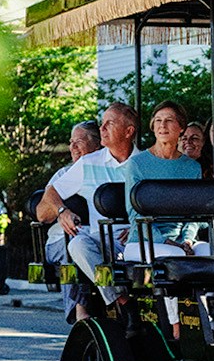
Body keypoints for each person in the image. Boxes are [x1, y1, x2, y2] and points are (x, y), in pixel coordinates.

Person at [37, 102, 138, 317]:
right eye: (101, 124)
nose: (102, 128)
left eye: (109, 124)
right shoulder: (88, 163)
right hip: (102, 243)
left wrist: (138, 226)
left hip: (139, 241)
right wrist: (62, 211)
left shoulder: (145, 161)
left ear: (129, 131)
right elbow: (50, 194)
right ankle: (121, 300)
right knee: (78, 244)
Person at [120, 100, 205, 259]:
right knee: (177, 255)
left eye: (169, 120)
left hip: (181, 240)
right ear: (152, 126)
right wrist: (164, 241)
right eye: (158, 120)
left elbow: (195, 214)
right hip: (143, 241)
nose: (162, 125)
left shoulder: (193, 168)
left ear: (181, 128)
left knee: (209, 251)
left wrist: (187, 240)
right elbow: (134, 214)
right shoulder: (137, 163)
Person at [42, 120, 100, 322]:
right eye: (71, 142)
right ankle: (80, 309)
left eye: (79, 142)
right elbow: (42, 213)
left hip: (100, 237)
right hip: (61, 240)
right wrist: (62, 210)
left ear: (97, 146)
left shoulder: (107, 169)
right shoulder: (63, 174)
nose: (73, 147)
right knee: (74, 240)